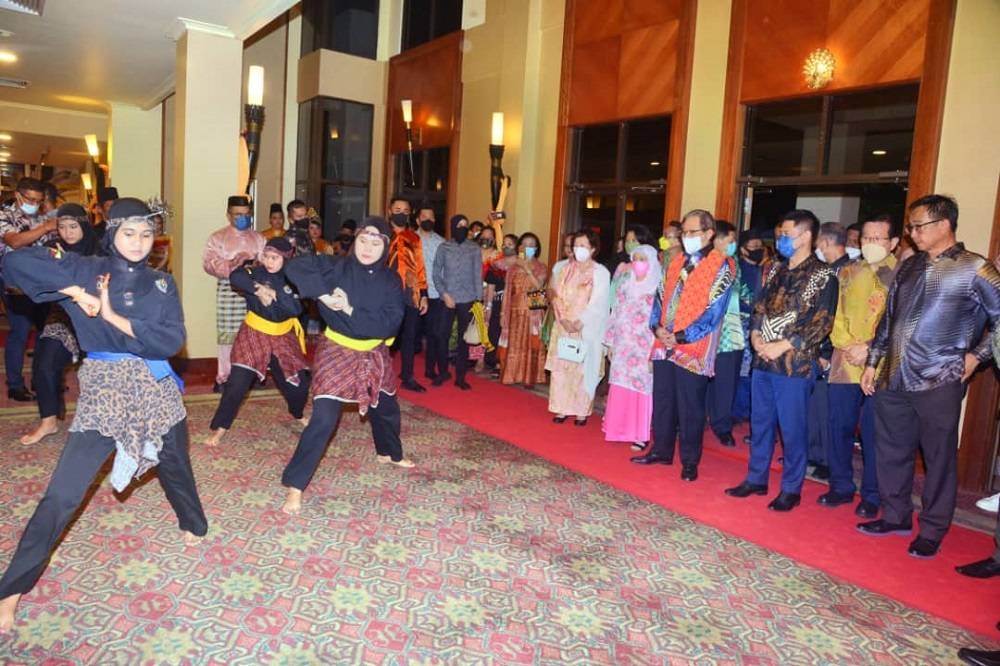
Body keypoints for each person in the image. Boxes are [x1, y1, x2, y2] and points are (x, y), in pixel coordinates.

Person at [0, 197, 208, 633]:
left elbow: (171, 341)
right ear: (112, 232)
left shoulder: (162, 283)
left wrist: (112, 314)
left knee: (175, 465)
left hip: (155, 388)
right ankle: (12, 589)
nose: (138, 242)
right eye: (129, 232)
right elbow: (15, 262)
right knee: (63, 493)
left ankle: (193, 522)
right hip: (105, 392)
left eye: (146, 234)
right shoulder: (84, 269)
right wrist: (78, 293)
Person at [858, 194, 1000, 558]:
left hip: (940, 378)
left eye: (918, 226)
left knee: (938, 459)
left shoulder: (976, 268)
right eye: (910, 227)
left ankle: (933, 528)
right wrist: (874, 362)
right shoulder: (909, 266)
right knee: (891, 451)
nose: (912, 233)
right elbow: (888, 320)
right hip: (894, 376)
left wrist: (977, 355)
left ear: (944, 225)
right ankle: (896, 515)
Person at [280, 217, 414, 515]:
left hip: (373, 351)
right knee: (324, 419)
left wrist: (350, 308)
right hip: (337, 348)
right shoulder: (337, 266)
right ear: (355, 241)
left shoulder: (391, 281)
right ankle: (295, 485)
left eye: (376, 243)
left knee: (387, 409)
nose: (368, 248)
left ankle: (389, 452)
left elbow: (389, 323)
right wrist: (323, 294)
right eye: (363, 241)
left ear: (386, 246)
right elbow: (295, 267)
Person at [725, 209, 838, 511]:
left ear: (805, 236)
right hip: (763, 360)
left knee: (792, 429)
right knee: (759, 424)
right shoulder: (776, 269)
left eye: (786, 234)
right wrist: (755, 337)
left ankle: (791, 488)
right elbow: (760, 307)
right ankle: (756, 478)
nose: (781, 239)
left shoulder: (823, 275)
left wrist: (783, 345)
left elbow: (822, 323)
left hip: (794, 365)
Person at [632, 210, 735, 481]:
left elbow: (714, 312)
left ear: (709, 233)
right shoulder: (675, 261)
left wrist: (679, 336)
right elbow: (659, 298)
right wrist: (657, 327)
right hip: (663, 340)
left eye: (692, 233)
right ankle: (662, 450)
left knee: (691, 406)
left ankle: (690, 461)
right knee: (664, 398)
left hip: (693, 345)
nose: (686, 238)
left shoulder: (722, 265)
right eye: (684, 233)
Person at [821, 215, 898, 518]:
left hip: (879, 364)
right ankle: (840, 486)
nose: (870, 243)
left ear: (893, 243)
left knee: (873, 433)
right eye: (866, 238)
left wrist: (867, 349)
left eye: (878, 238)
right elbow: (835, 314)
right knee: (838, 425)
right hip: (844, 360)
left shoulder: (902, 276)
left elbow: (899, 322)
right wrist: (847, 344)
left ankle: (871, 494)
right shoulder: (848, 271)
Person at [204, 237, 310, 446]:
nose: (270, 262)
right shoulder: (255, 273)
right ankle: (220, 428)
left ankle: (297, 413)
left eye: (275, 258)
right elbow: (235, 276)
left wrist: (275, 293)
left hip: (282, 336)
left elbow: (296, 309)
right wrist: (258, 289)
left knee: (298, 385)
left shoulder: (293, 279)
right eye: (267, 257)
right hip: (254, 332)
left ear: (286, 259)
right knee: (237, 384)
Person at [20, 204, 99, 445]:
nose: (68, 233)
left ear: (84, 224)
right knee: (44, 361)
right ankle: (49, 420)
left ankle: (104, 421)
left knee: (100, 372)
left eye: (73, 226)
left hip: (98, 316)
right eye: (62, 227)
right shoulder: (51, 250)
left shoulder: (100, 249)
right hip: (63, 314)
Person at [202, 195, 266, 391]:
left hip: (254, 292)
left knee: (253, 336)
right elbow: (208, 263)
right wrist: (231, 264)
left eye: (246, 215)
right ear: (229, 215)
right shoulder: (217, 238)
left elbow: (268, 263)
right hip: (229, 292)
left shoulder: (258, 238)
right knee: (228, 338)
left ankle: (251, 376)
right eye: (238, 215)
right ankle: (225, 377)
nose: (243, 218)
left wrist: (257, 264)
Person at [546, 229, 610, 425]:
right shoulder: (565, 269)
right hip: (564, 325)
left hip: (586, 328)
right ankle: (561, 408)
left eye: (583, 246)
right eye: (576, 246)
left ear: (593, 248)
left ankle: (582, 411)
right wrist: (563, 319)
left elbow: (600, 302)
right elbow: (555, 295)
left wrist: (580, 321)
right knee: (562, 368)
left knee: (583, 369)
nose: (578, 249)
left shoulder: (600, 272)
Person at [0, 176, 55, 401]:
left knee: (46, 332)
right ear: (18, 196)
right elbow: (14, 242)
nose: (33, 203)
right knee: (20, 332)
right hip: (14, 282)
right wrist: (45, 227)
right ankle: (15, 385)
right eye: (30, 199)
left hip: (41, 281)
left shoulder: (41, 218)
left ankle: (40, 380)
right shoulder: (4, 216)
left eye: (38, 200)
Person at [602, 243, 660, 449]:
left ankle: (640, 434)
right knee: (620, 386)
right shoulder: (626, 285)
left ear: (652, 262)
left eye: (643, 260)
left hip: (644, 347)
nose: (638, 264)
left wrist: (656, 352)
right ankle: (618, 428)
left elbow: (660, 323)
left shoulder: (657, 290)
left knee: (641, 389)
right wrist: (609, 342)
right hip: (623, 344)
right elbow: (615, 313)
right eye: (635, 259)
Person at [808, 222, 853, 480]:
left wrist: (825, 352)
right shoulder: (827, 270)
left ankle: (826, 460)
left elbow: (836, 316)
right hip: (820, 348)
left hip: (834, 351)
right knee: (815, 407)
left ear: (825, 242)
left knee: (829, 411)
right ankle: (813, 453)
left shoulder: (846, 272)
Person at [432, 214, 482, 390]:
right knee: (441, 335)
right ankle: (443, 372)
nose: (462, 227)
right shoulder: (444, 247)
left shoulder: (474, 248)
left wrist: (479, 299)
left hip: (468, 299)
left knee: (464, 338)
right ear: (453, 227)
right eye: (459, 225)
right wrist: (444, 294)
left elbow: (477, 274)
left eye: (465, 225)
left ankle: (460, 376)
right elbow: (436, 273)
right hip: (447, 299)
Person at [706, 221, 744, 448]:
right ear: (716, 240)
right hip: (705, 331)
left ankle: (722, 426)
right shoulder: (702, 264)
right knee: (700, 381)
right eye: (730, 241)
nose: (733, 245)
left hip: (731, 333)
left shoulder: (734, 264)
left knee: (726, 383)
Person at [499, 232, 549, 388]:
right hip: (514, 311)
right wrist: (503, 313)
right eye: (525, 244)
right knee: (514, 343)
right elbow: (507, 292)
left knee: (531, 344)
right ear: (520, 247)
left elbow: (539, 287)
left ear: (536, 248)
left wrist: (527, 268)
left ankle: (530, 376)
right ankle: (512, 374)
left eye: (532, 245)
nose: (528, 247)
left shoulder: (541, 267)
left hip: (533, 311)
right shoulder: (512, 268)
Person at [388, 209, 430, 392]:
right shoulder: (380, 235)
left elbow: (420, 266)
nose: (401, 213)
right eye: (398, 210)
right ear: (390, 211)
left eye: (405, 211)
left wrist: (424, 294)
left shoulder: (414, 238)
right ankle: (374, 374)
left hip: (411, 291)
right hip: (386, 292)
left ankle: (408, 376)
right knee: (384, 335)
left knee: (410, 336)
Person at [416, 206, 447, 382]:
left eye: (431, 217)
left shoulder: (442, 242)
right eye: (424, 216)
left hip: (435, 293)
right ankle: (406, 371)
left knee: (433, 333)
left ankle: (430, 369)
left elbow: (444, 269)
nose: (428, 219)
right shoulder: (410, 239)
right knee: (410, 333)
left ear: (435, 221)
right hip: (413, 293)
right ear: (418, 220)